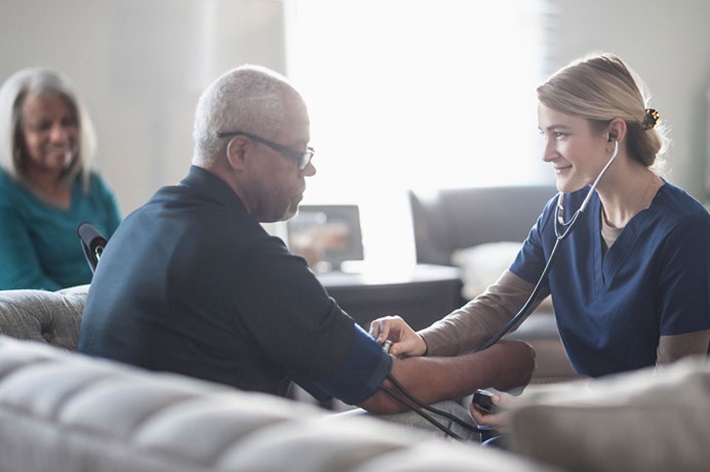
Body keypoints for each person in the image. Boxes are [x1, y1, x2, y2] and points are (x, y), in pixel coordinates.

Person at [77, 64, 535, 437]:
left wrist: (366, 353)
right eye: (298, 154)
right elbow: (387, 390)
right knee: (452, 418)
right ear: (239, 152)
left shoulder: (139, 224)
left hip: (127, 449)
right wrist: (504, 361)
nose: (310, 170)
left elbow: (334, 362)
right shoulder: (247, 256)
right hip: (210, 457)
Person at [369, 52, 710, 429]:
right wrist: (424, 341)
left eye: (560, 134)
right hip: (594, 415)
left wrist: (539, 414)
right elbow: (498, 306)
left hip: (652, 435)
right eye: (543, 135)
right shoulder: (563, 213)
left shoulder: (687, 233)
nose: (547, 153)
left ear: (613, 133)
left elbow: (670, 395)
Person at [0, 67, 122, 290]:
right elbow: (25, 289)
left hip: (106, 314)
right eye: (43, 126)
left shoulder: (92, 185)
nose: (59, 136)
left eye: (67, 122)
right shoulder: (4, 193)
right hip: (46, 322)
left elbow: (126, 261)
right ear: (16, 134)